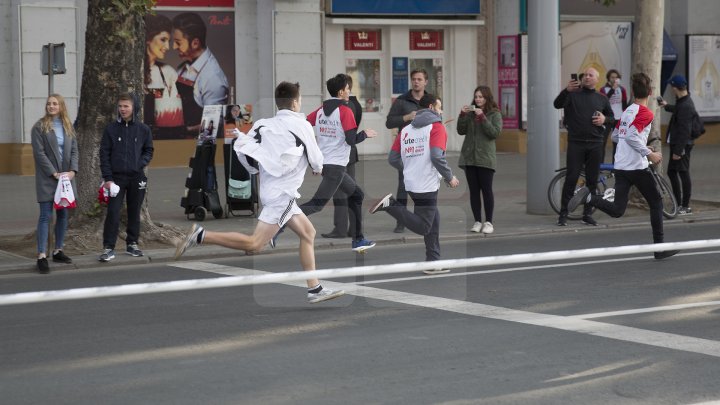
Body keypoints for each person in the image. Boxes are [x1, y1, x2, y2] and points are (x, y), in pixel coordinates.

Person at [174, 81, 345, 304]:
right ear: (295, 102)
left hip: (274, 192)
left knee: (308, 233)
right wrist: (318, 168)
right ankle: (201, 236)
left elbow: (244, 149)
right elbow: (317, 160)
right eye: (300, 99)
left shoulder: (264, 125)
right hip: (282, 195)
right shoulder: (301, 125)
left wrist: (255, 169)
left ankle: (315, 289)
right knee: (255, 244)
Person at [568, 73, 679, 260]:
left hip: (621, 167)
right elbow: (631, 136)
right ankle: (659, 249)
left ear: (633, 91)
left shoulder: (628, 111)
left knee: (618, 210)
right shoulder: (646, 113)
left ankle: (589, 198)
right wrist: (649, 153)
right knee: (656, 203)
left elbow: (616, 136)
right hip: (637, 167)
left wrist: (643, 145)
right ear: (650, 92)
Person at [273, 74, 378, 252]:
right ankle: (276, 226)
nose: (349, 91)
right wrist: (365, 134)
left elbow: (305, 123)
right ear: (341, 91)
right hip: (335, 167)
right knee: (316, 205)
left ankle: (358, 239)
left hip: (328, 164)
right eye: (347, 89)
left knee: (357, 195)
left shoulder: (321, 110)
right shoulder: (346, 111)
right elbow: (351, 140)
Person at [370, 94, 460, 274]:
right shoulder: (437, 127)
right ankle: (391, 206)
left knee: (434, 219)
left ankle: (432, 262)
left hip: (411, 182)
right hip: (426, 184)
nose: (441, 111)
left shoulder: (406, 129)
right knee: (424, 226)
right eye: (440, 107)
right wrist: (450, 177)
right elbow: (436, 156)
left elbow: (392, 158)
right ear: (432, 107)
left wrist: (410, 167)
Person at [553, 67, 615, 226]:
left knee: (592, 181)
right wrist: (566, 90)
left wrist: (604, 119)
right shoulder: (572, 95)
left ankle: (587, 213)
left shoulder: (601, 98)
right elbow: (557, 104)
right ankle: (563, 213)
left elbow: (612, 118)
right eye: (585, 75)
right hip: (576, 144)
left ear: (597, 79)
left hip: (595, 145)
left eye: (590, 75)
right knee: (571, 178)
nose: (586, 77)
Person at [98, 93, 154, 262]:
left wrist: (139, 163)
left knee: (134, 211)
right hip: (116, 179)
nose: (122, 109)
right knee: (113, 212)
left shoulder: (143, 129)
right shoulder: (111, 129)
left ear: (134, 108)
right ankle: (108, 248)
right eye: (120, 106)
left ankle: (132, 244)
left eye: (126, 106)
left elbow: (149, 150)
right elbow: (104, 155)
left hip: (137, 177)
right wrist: (108, 179)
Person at [30, 94, 79, 274]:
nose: (51, 106)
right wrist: (53, 173)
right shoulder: (39, 127)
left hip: (65, 179)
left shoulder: (68, 127)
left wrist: (73, 171)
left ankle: (58, 250)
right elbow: (39, 154)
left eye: (55, 103)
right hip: (48, 178)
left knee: (63, 214)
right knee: (45, 216)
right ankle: (42, 255)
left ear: (61, 106)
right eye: (49, 104)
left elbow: (75, 151)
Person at [385, 68, 432, 233]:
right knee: (403, 186)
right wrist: (406, 117)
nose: (416, 81)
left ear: (425, 82)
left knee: (424, 186)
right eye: (414, 79)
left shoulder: (430, 100)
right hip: (408, 150)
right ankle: (400, 222)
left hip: (425, 149)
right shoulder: (401, 101)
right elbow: (389, 122)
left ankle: (419, 219)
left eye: (420, 79)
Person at [172, 12, 229, 137]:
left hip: (198, 147)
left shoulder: (213, 78)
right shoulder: (185, 65)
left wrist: (183, 131)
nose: (173, 46)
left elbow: (212, 126)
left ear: (195, 43)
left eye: (178, 42)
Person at [457, 85, 502, 234]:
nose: (478, 99)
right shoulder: (470, 113)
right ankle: (477, 221)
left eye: (481, 97)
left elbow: (494, 133)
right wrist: (462, 115)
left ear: (487, 98)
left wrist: (482, 117)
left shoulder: (495, 114)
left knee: (487, 190)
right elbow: (461, 130)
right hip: (470, 157)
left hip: (485, 158)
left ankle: (488, 222)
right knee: (474, 191)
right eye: (476, 97)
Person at [322, 74, 362, 239]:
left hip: (340, 155)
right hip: (349, 154)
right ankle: (353, 229)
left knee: (340, 192)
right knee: (350, 191)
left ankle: (340, 229)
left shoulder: (346, 106)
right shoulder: (355, 104)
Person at [659, 74, 697, 215]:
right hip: (678, 144)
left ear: (675, 88)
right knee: (673, 172)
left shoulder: (686, 105)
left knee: (682, 172)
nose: (671, 89)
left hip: (682, 145)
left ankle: (685, 205)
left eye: (672, 87)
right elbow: (678, 110)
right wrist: (666, 106)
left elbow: (685, 130)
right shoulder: (683, 101)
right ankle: (678, 202)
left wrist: (678, 151)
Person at [144, 14, 184, 140]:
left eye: (168, 41)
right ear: (148, 39)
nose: (167, 47)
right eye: (163, 40)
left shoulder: (168, 72)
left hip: (163, 139)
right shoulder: (129, 72)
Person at [599, 69, 629, 162]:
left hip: (619, 118)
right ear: (608, 78)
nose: (614, 79)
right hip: (608, 118)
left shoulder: (622, 89)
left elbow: (624, 104)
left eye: (616, 77)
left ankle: (615, 165)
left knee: (618, 143)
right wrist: (613, 89)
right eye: (612, 77)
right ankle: (600, 165)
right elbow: (604, 101)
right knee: (602, 142)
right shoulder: (603, 89)